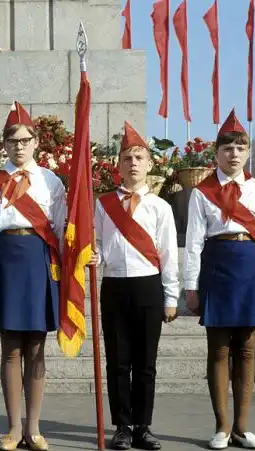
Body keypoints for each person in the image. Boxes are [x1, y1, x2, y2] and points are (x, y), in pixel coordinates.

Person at [184, 109, 255, 450]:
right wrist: (191, 286)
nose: (234, 154)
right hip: (217, 267)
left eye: (241, 148)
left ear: (248, 152)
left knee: (247, 349)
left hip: (251, 268)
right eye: (227, 148)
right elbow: (193, 243)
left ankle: (242, 427)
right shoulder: (202, 193)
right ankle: (222, 427)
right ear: (217, 153)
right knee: (219, 349)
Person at [0, 101, 67, 451]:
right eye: (13, 141)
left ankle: (35, 428)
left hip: (39, 264)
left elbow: (61, 230)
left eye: (26, 140)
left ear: (36, 143)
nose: (19, 147)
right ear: (5, 144)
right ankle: (14, 428)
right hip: (6, 264)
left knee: (37, 348)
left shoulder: (50, 182)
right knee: (11, 348)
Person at [90, 122, 179, 450]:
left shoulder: (160, 207)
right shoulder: (103, 204)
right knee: (118, 361)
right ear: (118, 164)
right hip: (114, 285)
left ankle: (143, 425)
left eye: (139, 157)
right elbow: (99, 244)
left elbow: (168, 254)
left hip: (148, 286)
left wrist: (171, 296)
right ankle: (122, 427)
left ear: (150, 164)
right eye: (127, 158)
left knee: (145, 362)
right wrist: (94, 256)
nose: (133, 163)